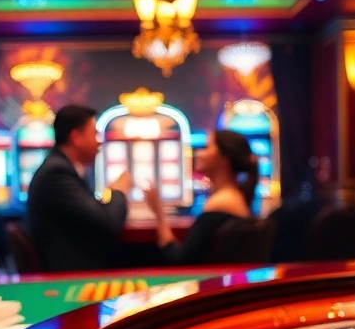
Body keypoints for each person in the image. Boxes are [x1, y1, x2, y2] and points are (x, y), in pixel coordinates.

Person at [26, 104, 131, 272]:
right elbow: (109, 224)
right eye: (94, 134)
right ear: (77, 137)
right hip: (71, 272)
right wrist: (119, 191)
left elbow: (93, 213)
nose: (99, 142)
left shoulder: (64, 167)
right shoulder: (57, 173)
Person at [144, 130, 257, 265]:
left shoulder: (220, 203)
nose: (199, 153)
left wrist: (159, 213)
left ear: (224, 158)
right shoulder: (233, 197)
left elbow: (179, 261)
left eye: (207, 147)